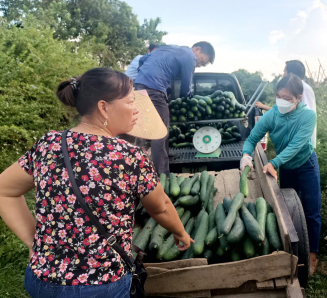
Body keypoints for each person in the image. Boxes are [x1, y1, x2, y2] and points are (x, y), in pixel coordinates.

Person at [0, 68, 193, 298]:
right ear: (104, 107)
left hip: (41, 281)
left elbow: (4, 190)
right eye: (131, 101)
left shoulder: (49, 144)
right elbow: (161, 207)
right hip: (100, 285)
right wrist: (180, 233)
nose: (136, 110)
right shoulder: (130, 156)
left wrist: (34, 243)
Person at [240, 74, 321, 275]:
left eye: (287, 98)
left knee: (311, 211)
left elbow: (296, 145)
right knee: (288, 207)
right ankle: (293, 247)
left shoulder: (308, 116)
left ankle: (312, 254)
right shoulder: (272, 114)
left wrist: (274, 162)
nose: (281, 101)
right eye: (279, 96)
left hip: (306, 164)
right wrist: (245, 155)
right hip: (286, 166)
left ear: (299, 98)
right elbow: (252, 138)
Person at [134, 42, 215, 176]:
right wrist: (188, 99)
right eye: (202, 61)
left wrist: (144, 75)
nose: (199, 65)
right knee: (159, 132)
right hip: (154, 89)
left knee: (146, 130)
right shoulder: (190, 56)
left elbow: (143, 59)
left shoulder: (171, 48)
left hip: (139, 86)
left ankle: (140, 170)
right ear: (197, 49)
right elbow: (185, 88)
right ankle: (161, 175)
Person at [255, 60, 317, 148]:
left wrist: (263, 107)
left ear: (291, 74)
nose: (283, 73)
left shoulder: (304, 88)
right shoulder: (296, 88)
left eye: (284, 71)